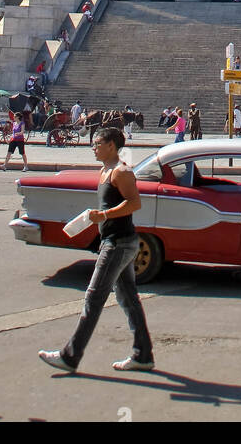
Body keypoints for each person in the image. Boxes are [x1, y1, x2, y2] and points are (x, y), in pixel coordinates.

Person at [39, 127, 154, 374]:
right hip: (114, 240)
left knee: (94, 297)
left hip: (119, 244)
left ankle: (70, 356)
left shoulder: (121, 172)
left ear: (111, 145)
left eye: (97, 143)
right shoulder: (105, 171)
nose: (93, 147)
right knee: (128, 299)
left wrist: (102, 215)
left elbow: (135, 203)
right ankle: (142, 354)